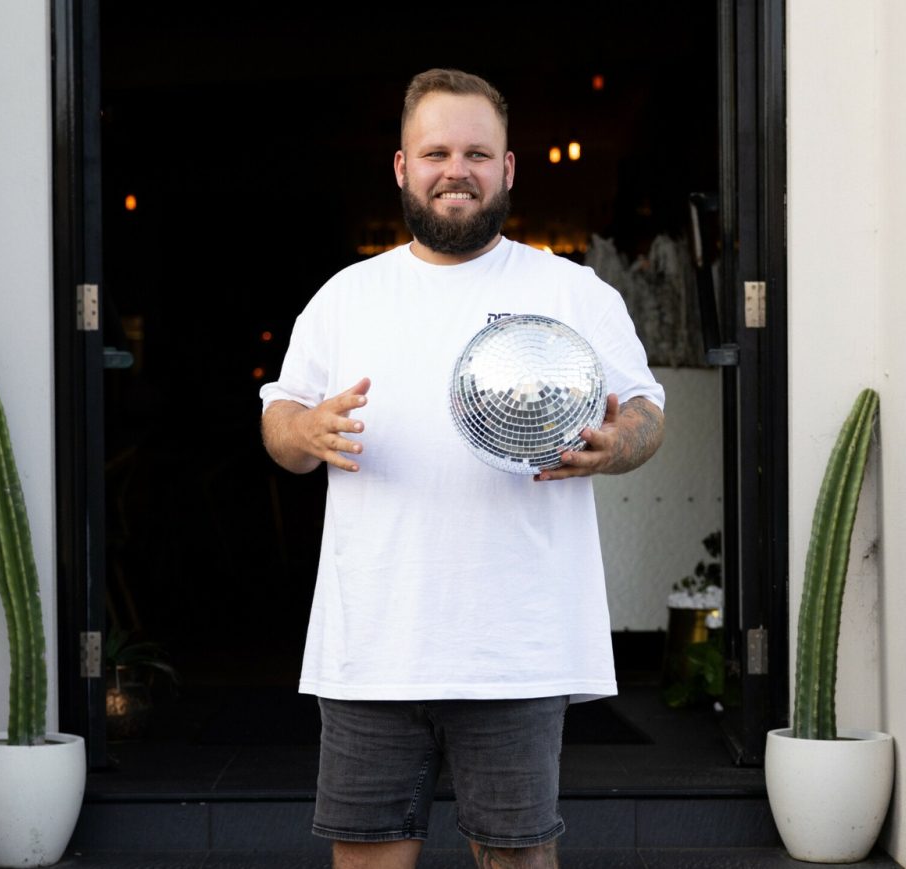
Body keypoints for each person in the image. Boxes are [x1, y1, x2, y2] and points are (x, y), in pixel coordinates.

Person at [259, 68, 665, 869]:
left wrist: (613, 446)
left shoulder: (570, 290)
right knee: (368, 858)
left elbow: (647, 413)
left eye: (478, 152)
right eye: (436, 150)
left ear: (508, 169)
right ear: (402, 167)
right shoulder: (347, 296)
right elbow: (281, 424)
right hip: (372, 643)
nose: (458, 169)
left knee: (515, 859)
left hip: (515, 644)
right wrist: (305, 427)